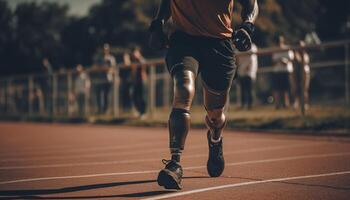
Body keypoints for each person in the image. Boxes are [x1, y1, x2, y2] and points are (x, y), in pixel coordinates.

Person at [149, 0, 258, 189]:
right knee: (183, 89)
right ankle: (175, 164)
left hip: (219, 43)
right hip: (183, 40)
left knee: (215, 115)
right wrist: (158, 21)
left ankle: (215, 137)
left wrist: (248, 25)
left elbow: (251, 3)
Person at [272, 36, 294, 109]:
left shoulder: (287, 48)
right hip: (277, 71)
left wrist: (283, 61)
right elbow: (274, 60)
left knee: (286, 88)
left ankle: (286, 104)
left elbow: (290, 59)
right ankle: (277, 104)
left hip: (286, 71)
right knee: (277, 88)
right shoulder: (275, 50)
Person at [93, 44, 116, 114]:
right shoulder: (98, 58)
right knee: (99, 96)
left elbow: (113, 69)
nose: (104, 51)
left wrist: (108, 69)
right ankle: (99, 110)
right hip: (99, 80)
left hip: (108, 80)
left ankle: (106, 110)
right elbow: (95, 67)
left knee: (106, 96)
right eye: (103, 49)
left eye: (106, 49)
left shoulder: (111, 58)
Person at [237, 43, 258, 109]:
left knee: (249, 89)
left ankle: (250, 105)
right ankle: (243, 105)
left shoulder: (252, 46)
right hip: (241, 71)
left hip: (249, 72)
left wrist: (248, 67)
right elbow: (237, 58)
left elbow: (252, 59)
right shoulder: (239, 45)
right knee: (242, 90)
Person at [293, 41, 311, 110]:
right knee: (296, 88)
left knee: (305, 89)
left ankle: (305, 103)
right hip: (297, 72)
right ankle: (297, 102)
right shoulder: (296, 54)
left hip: (305, 72)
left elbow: (303, 62)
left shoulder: (305, 55)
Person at [130, 46, 147, 118]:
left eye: (136, 52)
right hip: (136, 82)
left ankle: (143, 113)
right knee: (134, 96)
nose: (134, 54)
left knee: (142, 97)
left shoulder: (141, 60)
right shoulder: (134, 61)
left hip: (142, 81)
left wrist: (138, 57)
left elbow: (143, 65)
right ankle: (139, 111)